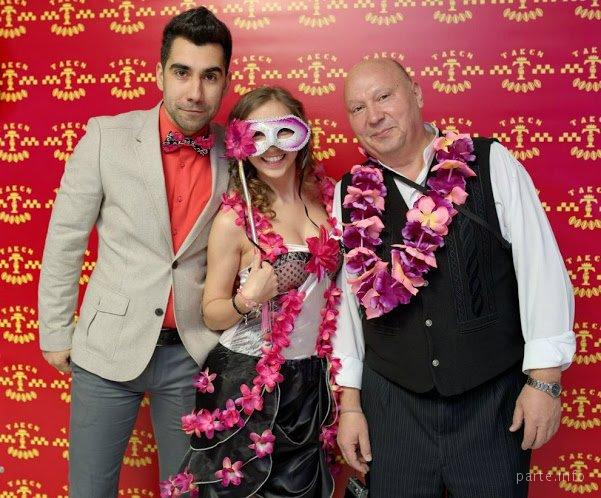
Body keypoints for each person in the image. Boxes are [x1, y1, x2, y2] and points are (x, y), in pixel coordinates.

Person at [333, 58, 576, 497]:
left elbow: (540, 269)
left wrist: (545, 380)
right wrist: (350, 405)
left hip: (491, 404)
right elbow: (347, 311)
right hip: (393, 408)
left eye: (384, 96)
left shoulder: (491, 162)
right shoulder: (348, 193)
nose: (373, 116)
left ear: (416, 93)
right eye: (358, 108)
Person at [37, 7, 232, 497]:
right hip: (107, 347)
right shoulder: (106, 136)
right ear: (160, 73)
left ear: (225, 82)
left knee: (187, 490)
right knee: (90, 488)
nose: (195, 91)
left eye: (210, 76)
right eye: (182, 72)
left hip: (193, 351)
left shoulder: (237, 152)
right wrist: (55, 331)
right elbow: (65, 239)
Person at [164, 86, 342, 498]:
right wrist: (248, 299)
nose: (271, 147)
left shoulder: (327, 199)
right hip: (246, 380)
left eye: (283, 131)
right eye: (257, 135)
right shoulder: (235, 219)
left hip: (311, 380)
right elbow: (212, 312)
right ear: (240, 145)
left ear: (302, 132)